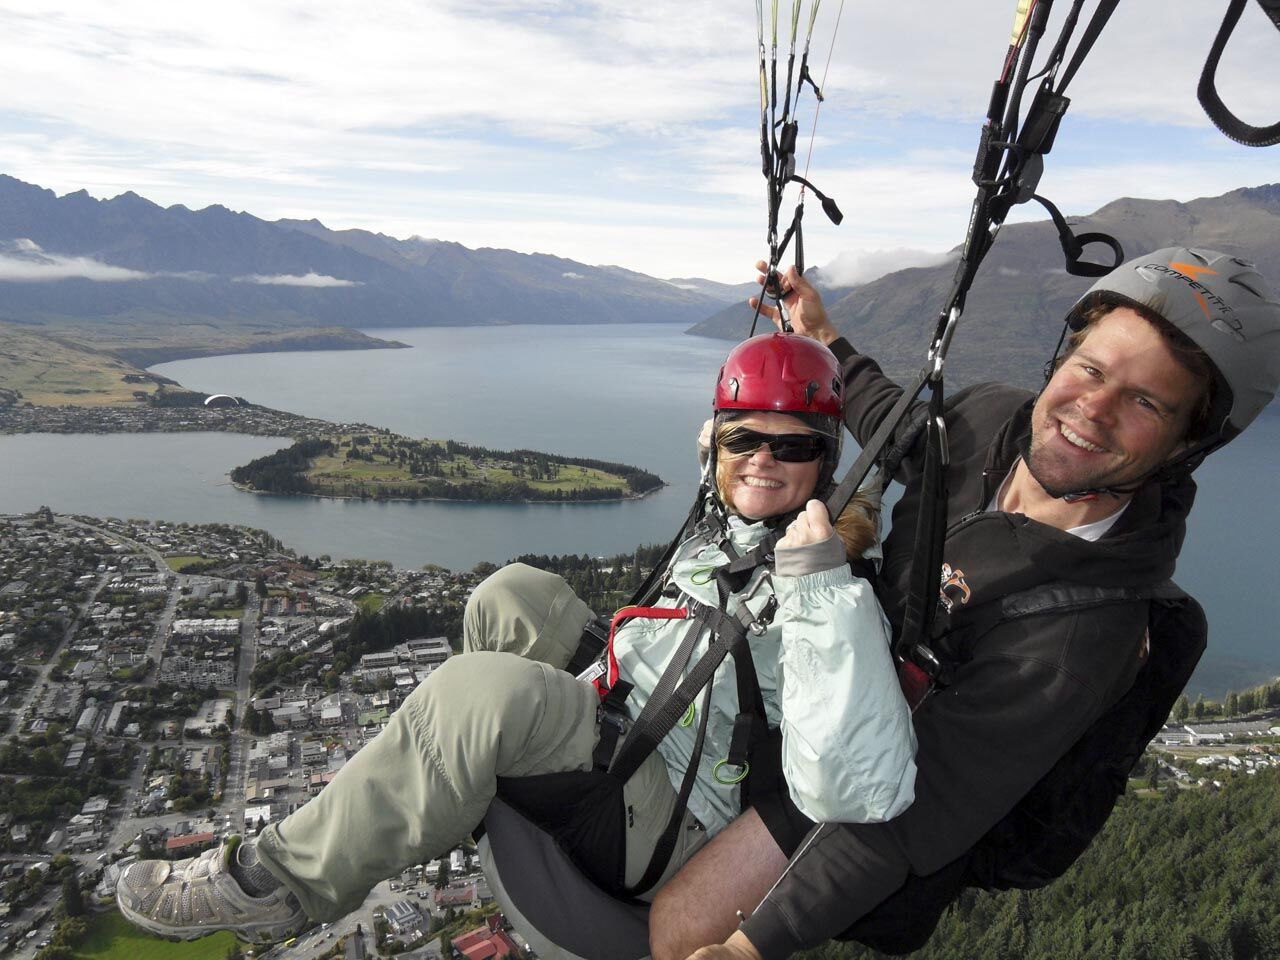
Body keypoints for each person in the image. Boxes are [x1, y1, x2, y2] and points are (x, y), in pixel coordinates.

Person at [114, 333, 916, 948]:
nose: (764, 462)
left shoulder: (835, 592)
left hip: (666, 814)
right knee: (512, 596)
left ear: (827, 459)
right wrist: (803, 339)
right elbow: (747, 461)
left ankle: (273, 887)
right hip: (637, 715)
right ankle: (447, 786)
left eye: (795, 446)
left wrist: (819, 579)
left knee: (477, 698)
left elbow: (855, 788)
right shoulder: (749, 512)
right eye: (745, 438)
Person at [650, 247, 1280, 960]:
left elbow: (909, 815)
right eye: (1092, 370)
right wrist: (821, 333)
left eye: (1144, 402)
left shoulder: (1081, 635)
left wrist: (748, 948)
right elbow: (900, 426)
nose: (1091, 411)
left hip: (875, 779)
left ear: (1186, 443)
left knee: (678, 926)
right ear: (1061, 358)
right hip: (835, 684)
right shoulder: (993, 419)